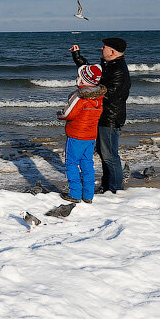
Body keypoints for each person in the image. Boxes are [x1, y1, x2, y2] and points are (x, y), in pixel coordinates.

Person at [69, 37, 131, 193]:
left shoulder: (119, 71)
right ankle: (106, 185)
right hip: (103, 117)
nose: (101, 49)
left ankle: (116, 188)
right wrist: (77, 56)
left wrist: (87, 94)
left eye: (104, 47)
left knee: (110, 156)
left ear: (112, 52)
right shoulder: (109, 65)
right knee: (105, 155)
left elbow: (109, 95)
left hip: (110, 119)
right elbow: (91, 72)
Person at [57, 64, 106, 203]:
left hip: (76, 135)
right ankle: (88, 195)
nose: (77, 78)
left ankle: (75, 194)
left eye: (79, 76)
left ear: (84, 81)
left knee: (71, 163)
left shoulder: (80, 97)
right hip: (90, 136)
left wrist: (59, 114)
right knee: (87, 164)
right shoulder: (99, 98)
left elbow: (68, 114)